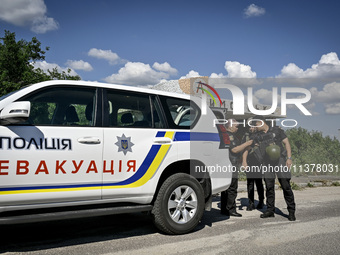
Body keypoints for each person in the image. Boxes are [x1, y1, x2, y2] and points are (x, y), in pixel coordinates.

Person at [252, 115, 296, 221]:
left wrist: (289, 158)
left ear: (261, 122)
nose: (255, 127)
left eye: (255, 124)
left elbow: (287, 143)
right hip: (267, 163)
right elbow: (254, 148)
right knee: (269, 187)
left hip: (280, 160)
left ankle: (291, 211)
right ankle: (270, 210)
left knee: (286, 186)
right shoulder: (257, 136)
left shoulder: (277, 130)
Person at [221, 119, 253, 217]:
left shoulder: (227, 134)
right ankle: (231, 209)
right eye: (236, 126)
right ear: (230, 126)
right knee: (232, 188)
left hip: (227, 163)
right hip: (231, 164)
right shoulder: (229, 136)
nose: (237, 128)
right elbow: (234, 149)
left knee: (225, 188)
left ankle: (224, 209)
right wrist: (247, 144)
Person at [241, 122, 265, 211]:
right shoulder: (246, 137)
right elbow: (243, 149)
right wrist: (244, 162)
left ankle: (261, 201)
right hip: (249, 162)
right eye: (250, 127)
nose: (251, 128)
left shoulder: (261, 135)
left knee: (259, 183)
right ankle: (251, 203)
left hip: (259, 162)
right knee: (250, 183)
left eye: (253, 126)